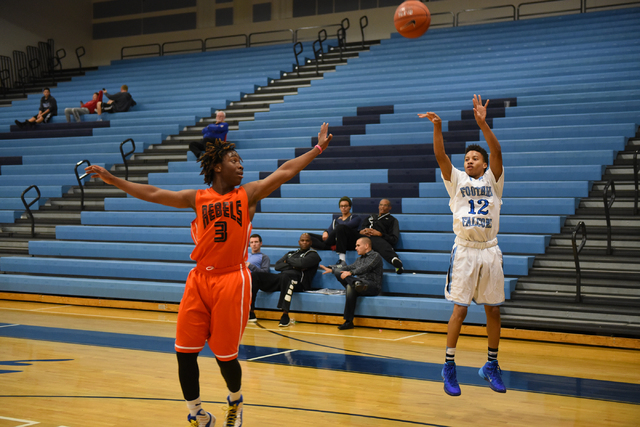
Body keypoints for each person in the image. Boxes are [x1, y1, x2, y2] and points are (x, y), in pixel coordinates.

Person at [85, 123, 333, 427]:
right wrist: (112, 179)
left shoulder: (248, 195)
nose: (241, 165)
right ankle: (197, 413)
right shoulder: (197, 198)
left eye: (241, 161)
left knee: (225, 356)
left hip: (233, 279)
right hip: (200, 280)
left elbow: (285, 171)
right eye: (234, 160)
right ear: (217, 166)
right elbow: (153, 192)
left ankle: (236, 402)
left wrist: (317, 148)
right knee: (184, 352)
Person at [418, 94, 506, 397]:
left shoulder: (494, 180)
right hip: (466, 250)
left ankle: (491, 365)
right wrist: (437, 128)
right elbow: (441, 156)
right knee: (460, 309)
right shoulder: (455, 180)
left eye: (474, 158)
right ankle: (449, 366)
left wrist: (483, 124)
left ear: (483, 164)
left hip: (490, 250)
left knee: (493, 311)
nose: (469, 161)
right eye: (467, 158)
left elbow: (496, 150)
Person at [250, 233, 321, 326]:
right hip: (282, 278)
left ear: (311, 243)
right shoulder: (291, 253)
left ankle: (285, 315)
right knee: (255, 275)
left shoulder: (313, 255)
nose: (304, 242)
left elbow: (302, 264)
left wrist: (288, 261)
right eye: (302, 240)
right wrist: (295, 265)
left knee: (286, 277)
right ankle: (251, 311)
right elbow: (278, 266)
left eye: (307, 241)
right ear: (299, 242)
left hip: (299, 282)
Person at [319, 236, 383, 330]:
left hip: (372, 285)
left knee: (350, 286)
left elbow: (366, 267)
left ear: (366, 245)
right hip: (359, 285)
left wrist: (351, 273)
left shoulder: (375, 256)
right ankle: (349, 322)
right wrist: (332, 269)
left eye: (358, 245)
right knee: (340, 274)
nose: (355, 248)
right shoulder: (359, 259)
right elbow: (348, 267)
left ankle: (355, 284)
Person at [334, 198, 404, 274]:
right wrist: (362, 231)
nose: (382, 207)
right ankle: (342, 260)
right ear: (378, 206)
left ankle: (395, 261)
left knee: (373, 239)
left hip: (376, 239)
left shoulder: (393, 220)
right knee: (342, 228)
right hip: (362, 238)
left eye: (385, 205)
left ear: (390, 207)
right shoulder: (370, 217)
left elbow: (394, 239)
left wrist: (380, 234)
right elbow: (361, 228)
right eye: (381, 205)